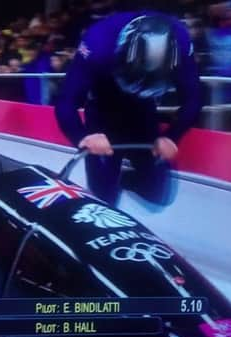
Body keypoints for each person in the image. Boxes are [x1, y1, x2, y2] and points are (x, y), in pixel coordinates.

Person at [55, 12, 202, 205]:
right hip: (103, 103)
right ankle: (107, 187)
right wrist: (82, 137)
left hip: (144, 107)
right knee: (103, 192)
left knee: (157, 193)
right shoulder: (98, 43)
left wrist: (173, 137)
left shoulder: (181, 42)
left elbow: (193, 98)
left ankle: (125, 180)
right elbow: (66, 101)